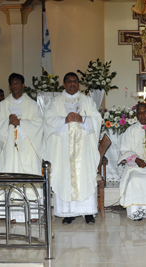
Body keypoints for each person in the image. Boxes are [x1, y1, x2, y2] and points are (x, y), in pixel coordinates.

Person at [43, 72, 102, 225]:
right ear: (64, 84)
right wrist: (65, 120)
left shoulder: (87, 101)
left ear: (78, 83)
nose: (72, 84)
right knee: (65, 178)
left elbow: (97, 119)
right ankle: (67, 213)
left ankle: (88, 212)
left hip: (84, 150)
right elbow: (48, 119)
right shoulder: (56, 102)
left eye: (75, 81)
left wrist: (83, 119)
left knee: (86, 176)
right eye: (69, 81)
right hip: (63, 150)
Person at [0, 73, 44, 223]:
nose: (15, 86)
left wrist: (20, 123)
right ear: (9, 86)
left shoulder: (32, 104)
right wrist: (8, 122)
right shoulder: (3, 105)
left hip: (27, 148)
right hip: (10, 151)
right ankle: (12, 215)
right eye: (12, 83)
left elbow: (39, 123)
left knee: (28, 177)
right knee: (11, 178)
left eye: (17, 83)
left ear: (23, 85)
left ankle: (32, 214)